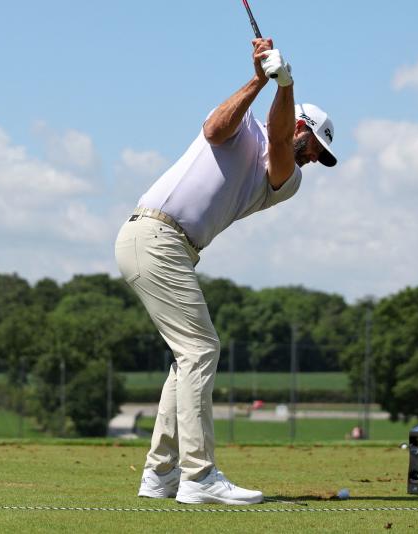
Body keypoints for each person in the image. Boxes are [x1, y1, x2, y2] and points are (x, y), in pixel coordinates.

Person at [114, 37, 337, 505]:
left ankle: (160, 475)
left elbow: (279, 143)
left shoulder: (287, 178)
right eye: (317, 146)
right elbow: (214, 129)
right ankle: (198, 477)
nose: (316, 159)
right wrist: (261, 79)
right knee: (200, 350)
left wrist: (286, 82)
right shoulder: (243, 126)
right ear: (303, 126)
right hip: (154, 236)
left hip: (169, 246)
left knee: (189, 356)